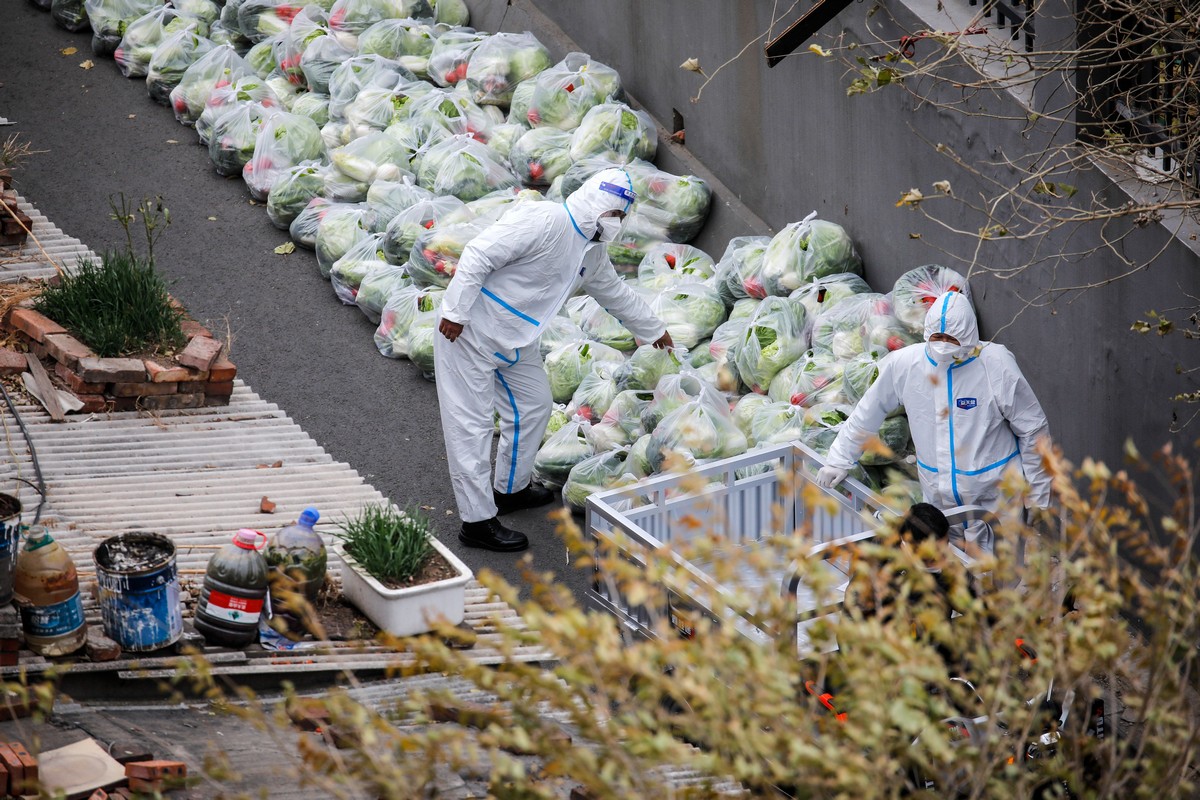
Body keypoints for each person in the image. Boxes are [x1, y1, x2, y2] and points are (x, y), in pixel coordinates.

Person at [434, 168, 674, 553]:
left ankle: (510, 490)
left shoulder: (591, 252)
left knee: (534, 407)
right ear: (595, 203)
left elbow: (615, 293)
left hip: (518, 339)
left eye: (621, 216)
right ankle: (476, 522)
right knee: (471, 425)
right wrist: (455, 312)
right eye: (614, 213)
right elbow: (480, 253)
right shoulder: (545, 220)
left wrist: (654, 329)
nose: (617, 223)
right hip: (469, 332)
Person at [816, 290, 1052, 552]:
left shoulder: (995, 364)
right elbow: (868, 413)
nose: (943, 344)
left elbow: (1032, 429)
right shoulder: (906, 364)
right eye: (936, 337)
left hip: (994, 495)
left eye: (951, 338)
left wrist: (1038, 495)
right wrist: (839, 458)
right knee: (949, 568)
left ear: (969, 336)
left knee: (1001, 567)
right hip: (939, 497)